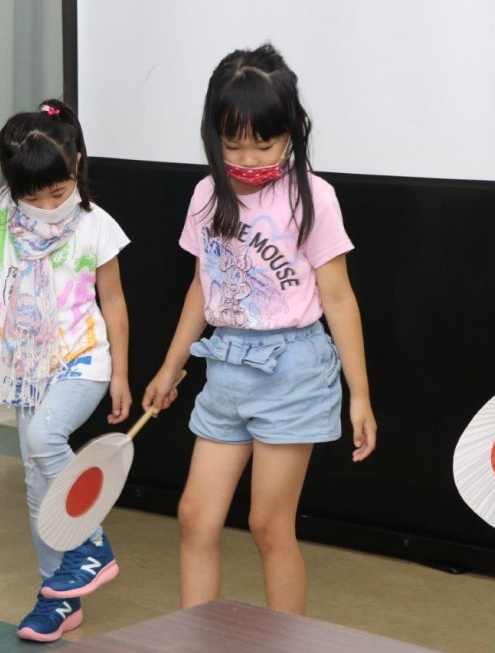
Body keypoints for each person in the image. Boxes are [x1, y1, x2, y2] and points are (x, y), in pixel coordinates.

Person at [142, 44, 377, 615]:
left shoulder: (313, 197)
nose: (246, 157)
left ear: (292, 131)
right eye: (232, 143)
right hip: (224, 366)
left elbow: (339, 297)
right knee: (196, 517)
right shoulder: (206, 195)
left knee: (269, 526)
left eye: (264, 142)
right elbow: (203, 287)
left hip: (293, 369)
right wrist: (171, 366)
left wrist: (360, 396)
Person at [0, 99, 131, 643]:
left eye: (56, 193)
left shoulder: (95, 225)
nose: (45, 207)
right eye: (31, 197)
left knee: (45, 436)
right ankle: (59, 594)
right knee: (38, 481)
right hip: (23, 367)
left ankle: (89, 547)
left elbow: (116, 303)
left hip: (83, 360)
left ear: (76, 163)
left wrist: (122, 375)